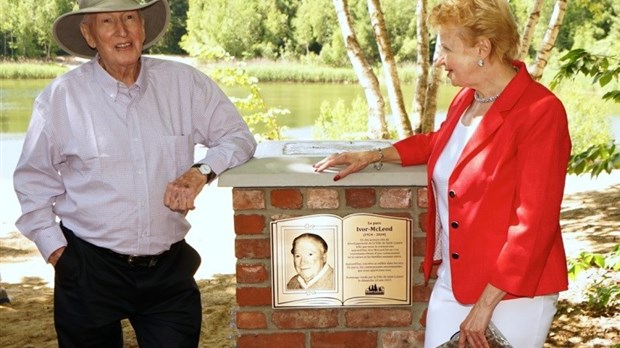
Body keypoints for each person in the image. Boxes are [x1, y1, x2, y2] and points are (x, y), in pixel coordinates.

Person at [313, 0, 571, 347]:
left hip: (513, 294)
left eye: (448, 48)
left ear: (483, 49)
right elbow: (442, 143)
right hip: (454, 281)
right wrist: (374, 155)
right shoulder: (466, 99)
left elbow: (533, 225)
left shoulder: (541, 111)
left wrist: (484, 307)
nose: (439, 59)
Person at [13, 0, 256, 346]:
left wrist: (200, 171)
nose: (122, 30)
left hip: (168, 273)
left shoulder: (184, 84)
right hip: (88, 268)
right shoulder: (61, 98)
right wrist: (58, 254)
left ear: (143, 27)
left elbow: (238, 137)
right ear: (89, 34)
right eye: (108, 21)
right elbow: (32, 182)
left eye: (129, 17)